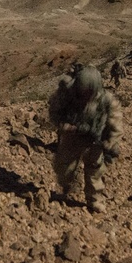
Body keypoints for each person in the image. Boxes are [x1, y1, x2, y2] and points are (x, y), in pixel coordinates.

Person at [47, 65, 123, 213]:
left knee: (94, 171)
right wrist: (66, 127)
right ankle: (67, 188)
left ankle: (94, 200)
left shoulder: (106, 100)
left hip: (95, 141)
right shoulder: (68, 93)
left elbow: (116, 124)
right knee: (64, 168)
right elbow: (54, 111)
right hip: (72, 136)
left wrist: (109, 142)